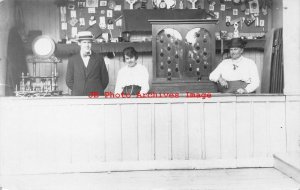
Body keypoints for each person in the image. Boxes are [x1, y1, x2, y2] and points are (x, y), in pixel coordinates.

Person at [66, 31, 109, 96]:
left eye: (89, 42)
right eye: (84, 42)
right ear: (79, 43)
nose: (87, 45)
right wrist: (78, 89)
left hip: (96, 95)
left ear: (91, 43)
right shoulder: (72, 59)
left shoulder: (99, 58)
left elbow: (105, 79)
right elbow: (69, 80)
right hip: (78, 95)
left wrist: (97, 89)